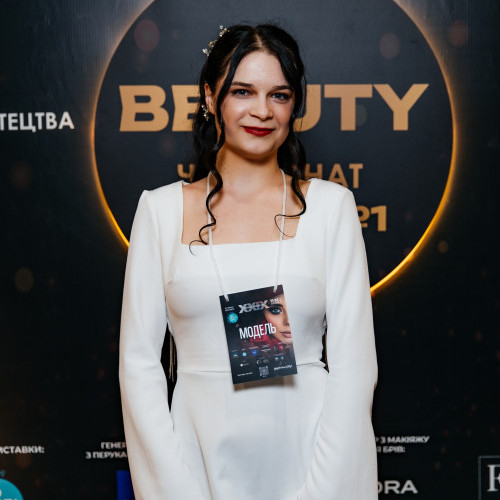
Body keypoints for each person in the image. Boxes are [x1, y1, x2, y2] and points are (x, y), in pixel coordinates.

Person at [119, 23, 378, 500]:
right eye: (243, 91)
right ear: (210, 97)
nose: (262, 110)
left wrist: (323, 491)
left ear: (294, 105)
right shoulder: (159, 211)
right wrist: (177, 490)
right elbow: (138, 366)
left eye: (279, 95)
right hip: (194, 466)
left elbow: (355, 368)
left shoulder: (331, 207)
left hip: (311, 460)